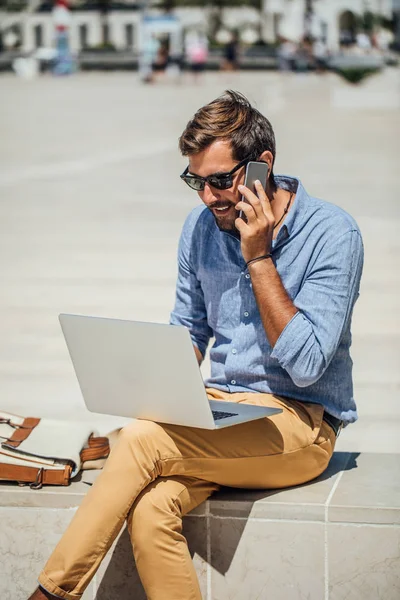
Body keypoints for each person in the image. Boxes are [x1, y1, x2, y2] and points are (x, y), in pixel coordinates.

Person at [29, 90, 363, 600]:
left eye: (219, 181)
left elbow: (307, 365)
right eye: (196, 182)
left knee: (142, 439)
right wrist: (156, 384)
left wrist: (259, 258)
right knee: (150, 510)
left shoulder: (332, 233)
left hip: (302, 425)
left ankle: (52, 594)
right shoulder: (200, 228)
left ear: (261, 165)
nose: (208, 198)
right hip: (221, 415)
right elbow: (189, 329)